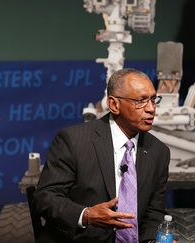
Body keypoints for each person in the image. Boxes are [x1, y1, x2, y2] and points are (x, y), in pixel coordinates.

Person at [33, 68, 170, 243]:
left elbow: (154, 211)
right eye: (141, 101)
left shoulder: (159, 152)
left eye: (153, 99)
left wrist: (152, 240)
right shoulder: (74, 141)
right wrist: (87, 215)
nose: (151, 109)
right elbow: (46, 198)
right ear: (114, 105)